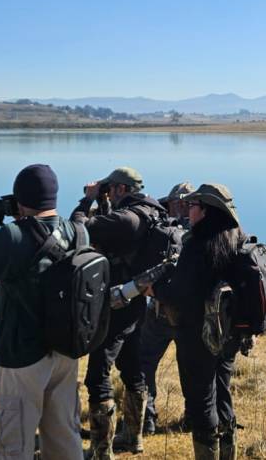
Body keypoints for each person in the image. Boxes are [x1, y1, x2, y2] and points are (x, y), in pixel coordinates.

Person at [0, 164, 83, 460]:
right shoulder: (77, 232)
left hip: (21, 357)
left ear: (19, 199)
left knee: (12, 444)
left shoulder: (11, 235)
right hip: (65, 351)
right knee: (65, 438)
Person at [72, 167, 167, 459]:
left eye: (111, 188)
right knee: (132, 366)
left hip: (114, 305)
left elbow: (77, 230)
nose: (108, 192)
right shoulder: (152, 211)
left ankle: (101, 451)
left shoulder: (125, 219)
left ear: (122, 190)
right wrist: (104, 200)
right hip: (135, 301)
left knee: (98, 374)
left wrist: (86, 200)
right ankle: (133, 438)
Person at [154, 183, 246, 460]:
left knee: (201, 401)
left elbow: (179, 295)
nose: (187, 210)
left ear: (205, 211)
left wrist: (155, 289)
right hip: (229, 334)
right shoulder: (236, 238)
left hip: (198, 337)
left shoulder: (197, 246)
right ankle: (228, 453)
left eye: (192, 206)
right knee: (222, 392)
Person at [139, 181, 194, 434]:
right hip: (191, 317)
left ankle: (146, 420)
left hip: (160, 312)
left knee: (143, 364)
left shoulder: (161, 232)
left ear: (176, 204)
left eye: (171, 204)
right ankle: (193, 419)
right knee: (194, 370)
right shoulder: (204, 233)